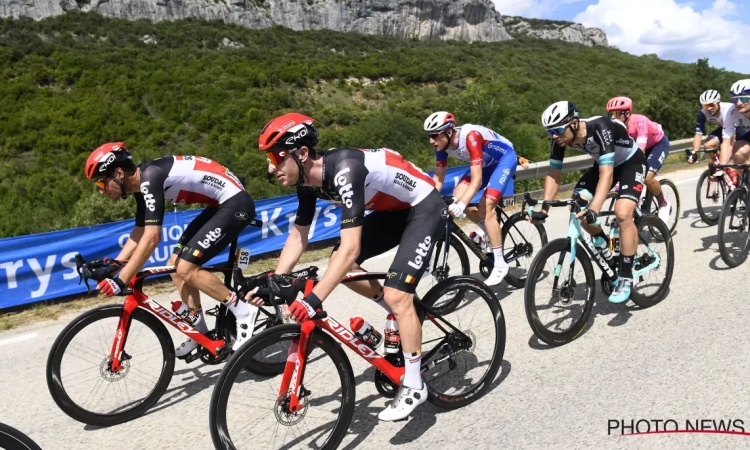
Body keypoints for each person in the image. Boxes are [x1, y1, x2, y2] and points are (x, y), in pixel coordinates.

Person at [257, 113, 446, 421]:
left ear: (301, 153)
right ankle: (405, 312)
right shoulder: (307, 184)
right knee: (340, 267)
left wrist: (314, 299)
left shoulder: (345, 171)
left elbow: (352, 247)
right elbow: (298, 234)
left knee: (394, 292)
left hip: (423, 206)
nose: (270, 167)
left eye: (275, 158)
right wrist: (275, 280)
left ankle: (414, 384)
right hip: (394, 211)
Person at [84, 143, 257, 357]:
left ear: (119, 173)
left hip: (235, 203)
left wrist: (122, 280)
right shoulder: (142, 182)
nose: (100, 191)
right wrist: (115, 266)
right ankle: (199, 331)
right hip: (219, 205)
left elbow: (152, 237)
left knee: (186, 268)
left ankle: (243, 310)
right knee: (174, 267)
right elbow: (140, 230)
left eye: (101, 182)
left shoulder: (150, 176)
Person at [531, 102, 647, 304]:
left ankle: (627, 277)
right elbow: (554, 173)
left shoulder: (600, 127)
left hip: (631, 162)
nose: (554, 136)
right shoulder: (559, 139)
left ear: (574, 123)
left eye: (557, 130)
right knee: (577, 205)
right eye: (550, 132)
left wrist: (595, 208)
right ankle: (604, 246)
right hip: (605, 164)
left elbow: (607, 175)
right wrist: (544, 207)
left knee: (622, 213)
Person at [423, 111, 517, 286]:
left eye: (434, 136)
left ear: (448, 132)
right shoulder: (442, 146)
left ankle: (500, 263)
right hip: (486, 165)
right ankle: (488, 233)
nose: (431, 141)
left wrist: (463, 202)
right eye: (429, 136)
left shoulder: (471, 136)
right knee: (457, 200)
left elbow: (477, 180)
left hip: (504, 160)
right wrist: (428, 201)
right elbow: (438, 179)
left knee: (485, 207)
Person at [606, 96, 671, 224]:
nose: (612, 118)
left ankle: (663, 203)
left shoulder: (639, 121)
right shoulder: (613, 127)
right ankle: (637, 206)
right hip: (636, 149)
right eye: (610, 114)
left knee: (646, 177)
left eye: (616, 114)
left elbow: (640, 150)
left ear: (627, 114)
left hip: (657, 145)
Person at [721, 79, 750, 171]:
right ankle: (745, 183)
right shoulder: (732, 111)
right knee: (737, 150)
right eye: (735, 99)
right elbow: (727, 142)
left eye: (744, 98)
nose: (738, 103)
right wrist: (721, 168)